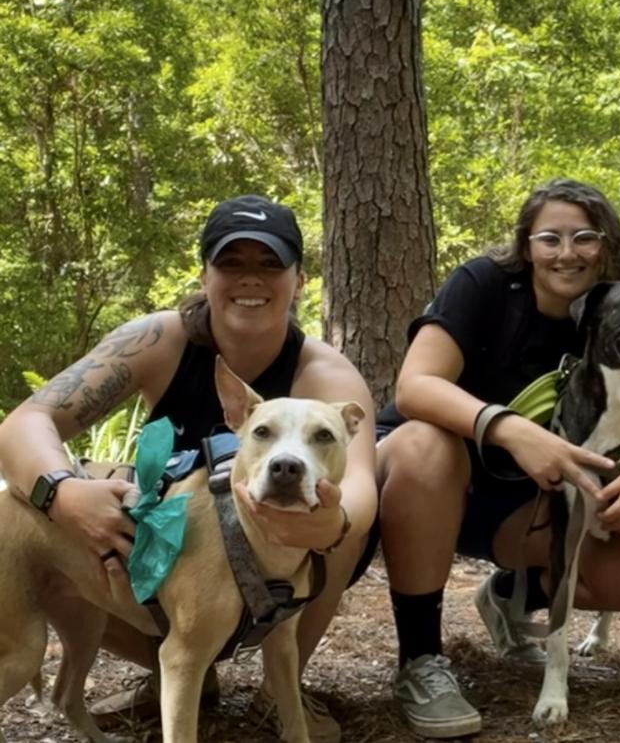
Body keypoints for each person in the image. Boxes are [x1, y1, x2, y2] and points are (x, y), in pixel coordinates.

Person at [0, 194, 376, 743]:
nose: (251, 279)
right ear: (204, 274)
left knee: (340, 535)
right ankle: (177, 671)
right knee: (25, 655)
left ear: (299, 278)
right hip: (160, 561)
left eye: (270, 264)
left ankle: (271, 693)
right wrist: (63, 493)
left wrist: (334, 524)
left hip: (252, 559)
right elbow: (25, 421)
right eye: (231, 263)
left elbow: (363, 484)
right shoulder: (160, 339)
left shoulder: (325, 374)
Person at [370, 178, 620, 738]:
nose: (568, 252)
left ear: (607, 245)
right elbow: (415, 387)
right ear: (525, 243)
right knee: (425, 443)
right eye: (550, 238)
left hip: (521, 496)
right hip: (425, 480)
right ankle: (421, 660)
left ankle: (512, 596)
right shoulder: (483, 285)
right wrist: (509, 429)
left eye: (585, 237)